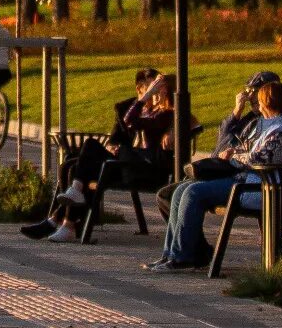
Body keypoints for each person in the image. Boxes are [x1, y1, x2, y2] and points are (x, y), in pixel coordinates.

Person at [147, 77, 282, 272]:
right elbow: (252, 152)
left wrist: (235, 157)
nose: (258, 106)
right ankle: (171, 254)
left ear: (270, 103)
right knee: (182, 190)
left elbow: (261, 160)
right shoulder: (273, 124)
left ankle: (182, 257)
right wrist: (239, 154)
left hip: (259, 188)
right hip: (249, 181)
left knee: (193, 193)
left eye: (260, 101)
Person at [24, 69, 177, 242]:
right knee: (71, 165)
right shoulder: (142, 109)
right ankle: (66, 222)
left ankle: (62, 219)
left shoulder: (163, 114)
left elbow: (132, 121)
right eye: (151, 87)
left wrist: (169, 126)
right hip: (122, 162)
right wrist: (113, 146)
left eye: (157, 88)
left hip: (134, 168)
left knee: (88, 152)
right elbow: (120, 131)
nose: (154, 92)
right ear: (139, 88)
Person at [187, 72, 280, 183]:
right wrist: (237, 111)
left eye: (255, 91)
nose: (250, 97)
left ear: (268, 94)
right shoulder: (251, 117)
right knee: (170, 192)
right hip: (219, 170)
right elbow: (223, 138)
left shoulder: (268, 123)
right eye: (248, 91)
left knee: (189, 192)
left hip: (235, 175)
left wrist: (233, 153)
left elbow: (251, 153)